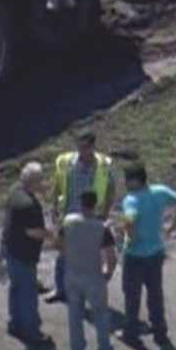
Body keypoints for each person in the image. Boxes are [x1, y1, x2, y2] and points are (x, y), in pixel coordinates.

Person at [46, 129, 116, 303]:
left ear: (93, 146)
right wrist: (54, 206)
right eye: (79, 146)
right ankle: (60, 289)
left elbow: (110, 190)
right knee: (63, 254)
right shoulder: (66, 162)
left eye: (85, 147)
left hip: (92, 216)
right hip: (69, 215)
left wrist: (105, 213)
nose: (81, 150)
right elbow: (57, 184)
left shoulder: (103, 165)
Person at [118, 163, 176, 347]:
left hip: (135, 255)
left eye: (127, 180)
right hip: (156, 252)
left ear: (135, 180)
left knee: (132, 295)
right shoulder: (160, 191)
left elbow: (129, 220)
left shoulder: (131, 200)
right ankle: (160, 332)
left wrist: (130, 238)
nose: (125, 183)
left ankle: (131, 332)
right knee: (155, 293)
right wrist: (173, 225)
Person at [62, 190, 123, 350]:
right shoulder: (101, 228)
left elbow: (59, 245)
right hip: (93, 276)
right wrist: (107, 273)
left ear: (80, 204)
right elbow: (111, 257)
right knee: (101, 317)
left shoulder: (68, 223)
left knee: (74, 315)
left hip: (72, 274)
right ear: (95, 205)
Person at [2, 161, 55, 346]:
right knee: (28, 292)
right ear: (34, 181)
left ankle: (15, 323)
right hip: (23, 254)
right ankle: (32, 332)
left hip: (11, 249)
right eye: (40, 180)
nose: (43, 183)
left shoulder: (15, 193)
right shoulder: (28, 205)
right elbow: (33, 231)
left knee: (16, 288)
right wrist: (52, 237)